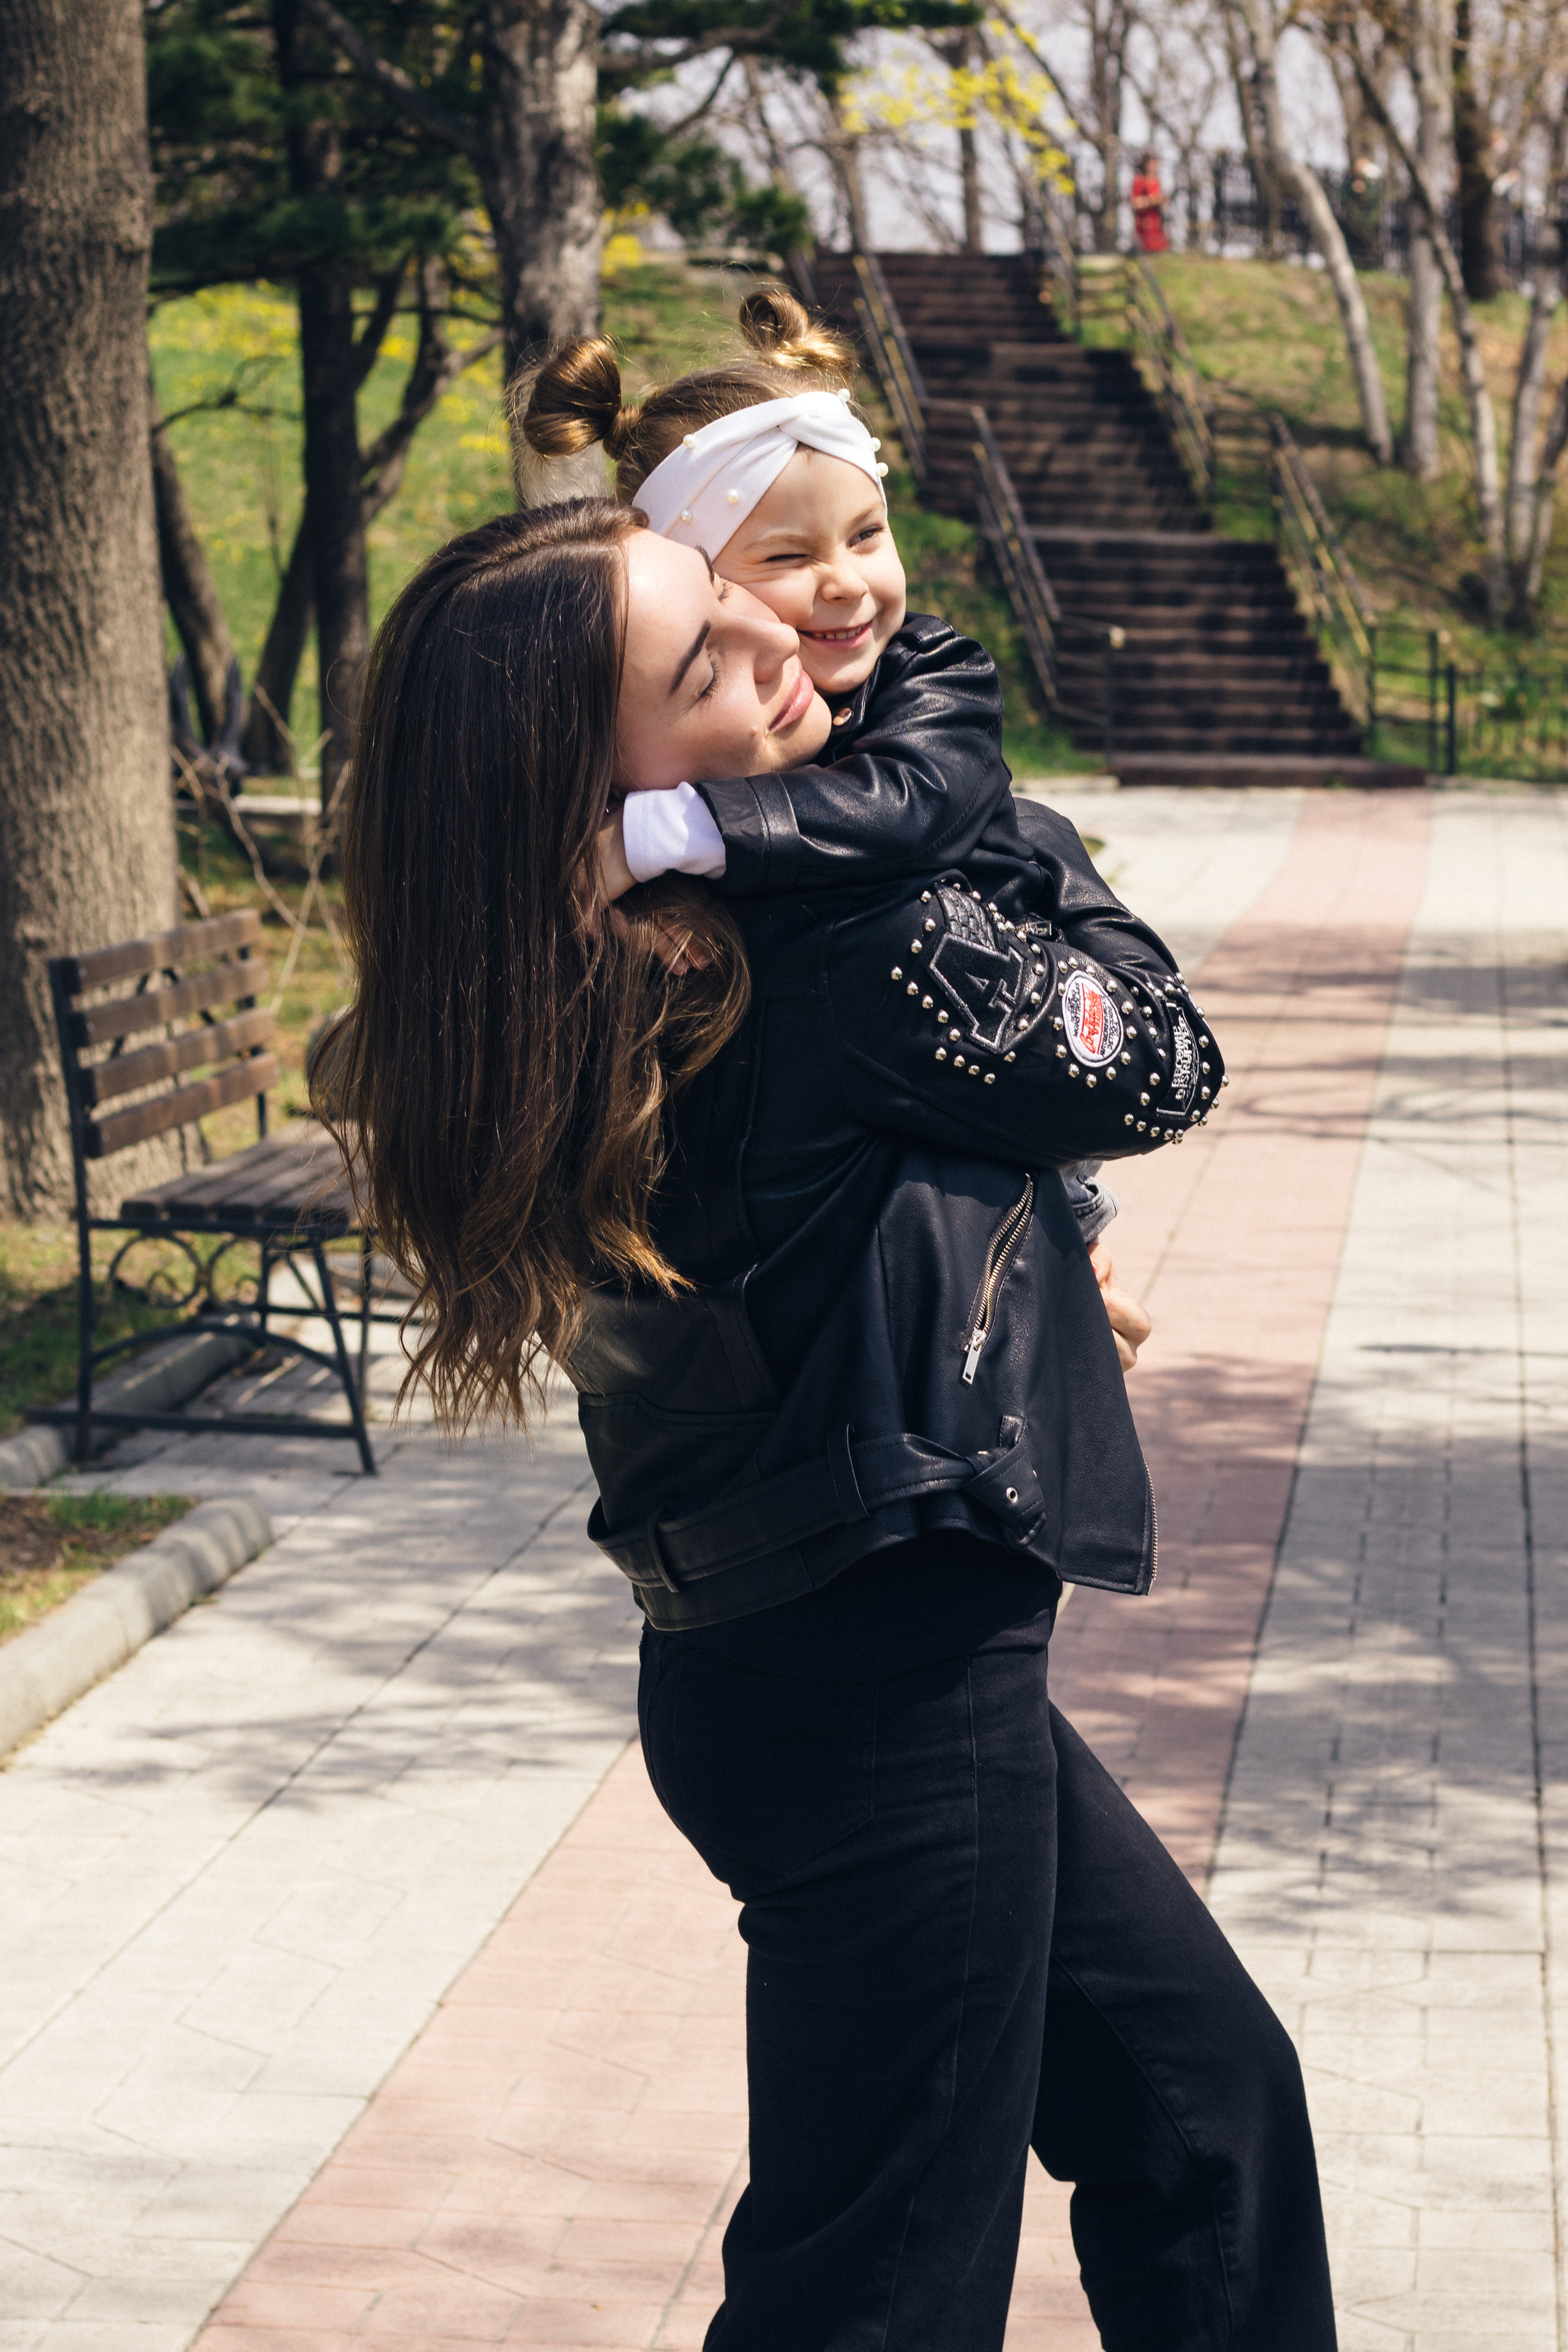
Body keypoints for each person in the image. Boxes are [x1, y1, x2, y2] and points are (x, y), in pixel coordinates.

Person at [317, 498, 1337, 2350]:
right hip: (878, 1669)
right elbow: (1161, 1052)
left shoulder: (626, 956)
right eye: (705, 664)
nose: (788, 645)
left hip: (813, 1654)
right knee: (879, 2287)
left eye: (734, 600)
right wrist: (993, 815)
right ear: (594, 790)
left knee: (1204, 2107)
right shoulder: (828, 949)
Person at [519, 286, 1121, 1250]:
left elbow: (913, 809)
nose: (845, 579)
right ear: (696, 588)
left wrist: (655, 837)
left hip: (1011, 1090)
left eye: (867, 535)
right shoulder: (660, 741)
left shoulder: (933, 676)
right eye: (788, 554)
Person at [1131, 152, 1169, 254]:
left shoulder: (1156, 181)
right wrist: (1152, 200)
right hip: (1144, 224)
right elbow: (1136, 203)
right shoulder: (1139, 181)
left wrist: (1162, 201)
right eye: (1153, 164)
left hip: (1156, 223)